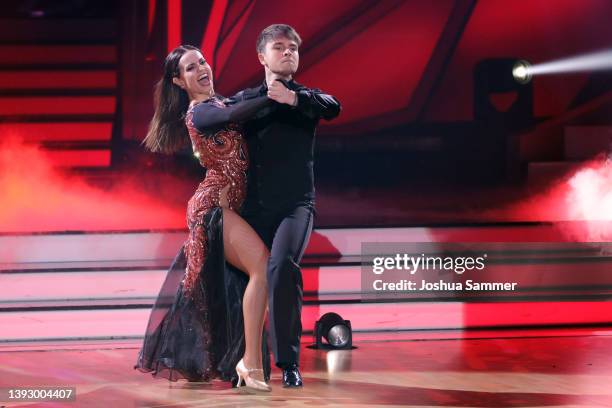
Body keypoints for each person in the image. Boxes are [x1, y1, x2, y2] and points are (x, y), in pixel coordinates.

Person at [134, 45, 294, 391]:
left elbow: (243, 101)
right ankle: (249, 363)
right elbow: (235, 113)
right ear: (179, 81)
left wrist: (276, 84)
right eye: (191, 68)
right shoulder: (200, 113)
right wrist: (273, 96)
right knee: (262, 268)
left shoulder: (222, 102)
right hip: (212, 210)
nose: (202, 69)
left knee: (231, 290)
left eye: (202, 62)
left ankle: (245, 362)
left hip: (229, 209)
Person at [228, 24, 341, 387]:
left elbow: (333, 107)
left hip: (296, 206)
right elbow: (218, 122)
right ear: (262, 56)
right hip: (255, 207)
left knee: (281, 265)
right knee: (241, 275)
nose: (288, 52)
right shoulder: (246, 100)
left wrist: (292, 100)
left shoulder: (307, 99)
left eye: (293, 47)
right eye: (279, 47)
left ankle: (288, 361)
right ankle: (242, 360)